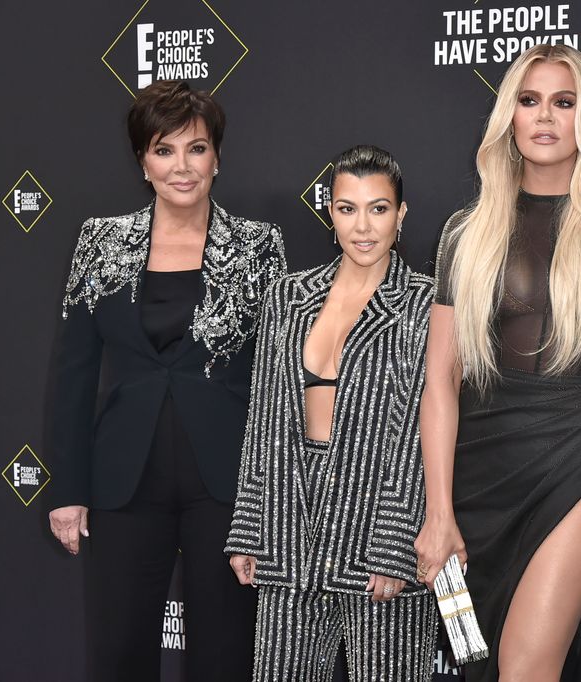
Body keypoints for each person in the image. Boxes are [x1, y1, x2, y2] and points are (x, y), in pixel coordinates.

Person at [415, 45, 581, 682]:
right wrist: (438, 513)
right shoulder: (464, 233)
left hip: (575, 458)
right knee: (477, 662)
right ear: (509, 116)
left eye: (564, 101)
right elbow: (441, 380)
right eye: (529, 101)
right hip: (477, 475)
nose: (545, 117)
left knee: (527, 667)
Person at [46, 80, 286, 681]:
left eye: (196, 149)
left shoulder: (258, 247)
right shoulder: (100, 243)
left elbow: (278, 380)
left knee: (226, 655)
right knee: (120, 651)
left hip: (228, 489)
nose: (182, 166)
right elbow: (73, 373)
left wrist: (270, 501)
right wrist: (66, 488)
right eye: (164, 150)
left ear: (217, 157)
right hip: (124, 483)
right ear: (142, 161)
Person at [226, 145, 438, 682]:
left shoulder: (426, 304)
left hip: (377, 521)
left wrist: (396, 542)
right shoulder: (286, 298)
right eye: (347, 208)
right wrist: (251, 526)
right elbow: (264, 417)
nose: (362, 226)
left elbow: (427, 426)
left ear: (401, 213)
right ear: (329, 211)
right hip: (289, 521)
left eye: (378, 208)